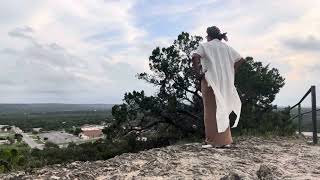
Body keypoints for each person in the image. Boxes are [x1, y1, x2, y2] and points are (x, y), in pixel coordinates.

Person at [191, 26, 245, 148]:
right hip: (225, 82)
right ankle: (225, 141)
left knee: (210, 110)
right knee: (223, 107)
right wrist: (231, 72)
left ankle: (212, 141)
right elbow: (240, 59)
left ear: (208, 35)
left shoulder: (205, 46)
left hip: (210, 80)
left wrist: (198, 74)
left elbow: (195, 57)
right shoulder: (226, 47)